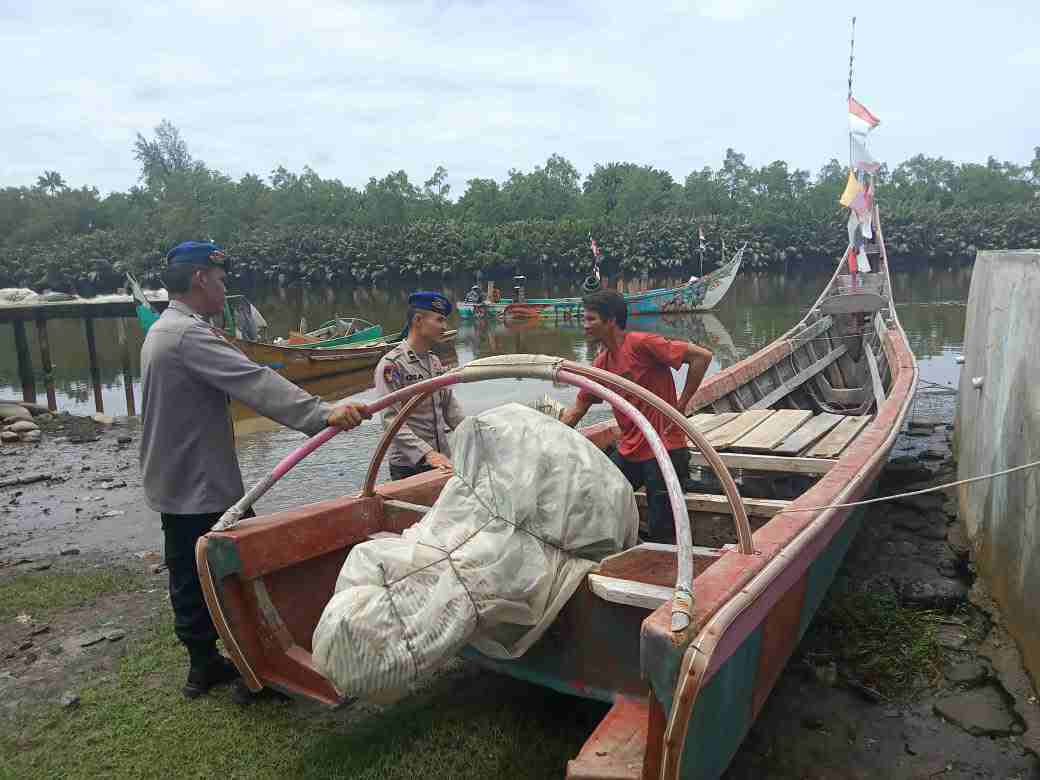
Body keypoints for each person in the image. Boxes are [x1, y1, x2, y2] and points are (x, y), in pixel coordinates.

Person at [139, 240, 370, 700]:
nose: (224, 290)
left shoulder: (164, 329)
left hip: (172, 477)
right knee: (242, 573)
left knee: (188, 571)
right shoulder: (188, 335)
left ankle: (202, 666)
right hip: (199, 482)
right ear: (202, 278)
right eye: (221, 280)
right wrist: (321, 413)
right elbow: (255, 382)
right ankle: (256, 672)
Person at [559, 290, 713, 544]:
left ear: (611, 321)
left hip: (663, 446)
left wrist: (681, 405)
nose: (584, 326)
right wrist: (549, 435)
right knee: (601, 496)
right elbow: (577, 410)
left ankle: (665, 562)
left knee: (662, 525)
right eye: (583, 320)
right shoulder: (602, 364)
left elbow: (701, 357)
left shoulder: (642, 344)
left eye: (590, 320)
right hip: (631, 448)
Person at [374, 291, 465, 481]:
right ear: (418, 320)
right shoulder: (393, 365)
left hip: (441, 461)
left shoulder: (435, 362)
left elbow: (450, 408)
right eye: (439, 320)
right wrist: (428, 454)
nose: (444, 327)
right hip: (410, 465)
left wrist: (474, 432)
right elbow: (391, 420)